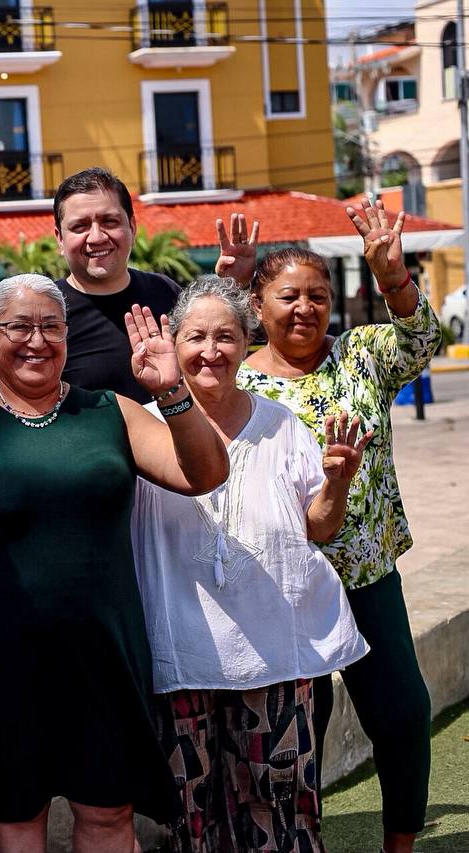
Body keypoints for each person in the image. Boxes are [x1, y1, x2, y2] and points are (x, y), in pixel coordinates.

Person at [0, 274, 229, 852]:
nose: (36, 341)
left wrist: (173, 394)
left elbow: (205, 475)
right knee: (14, 818)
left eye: (50, 327)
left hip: (104, 655)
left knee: (110, 815)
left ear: (67, 337)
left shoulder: (113, 411)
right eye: (18, 327)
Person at [133, 276, 373, 852]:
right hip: (180, 653)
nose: (210, 351)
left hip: (273, 649)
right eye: (195, 337)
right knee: (187, 809)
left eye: (226, 336)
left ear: (248, 342)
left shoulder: (281, 424)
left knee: (280, 802)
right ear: (171, 340)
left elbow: (318, 526)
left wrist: (337, 483)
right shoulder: (139, 425)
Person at [237, 198, 440, 853]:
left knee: (405, 715)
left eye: (318, 295)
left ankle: (400, 842)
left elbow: (420, 340)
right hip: (282, 587)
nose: (306, 308)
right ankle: (302, 840)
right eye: (289, 296)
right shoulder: (236, 381)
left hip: (368, 575)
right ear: (259, 305)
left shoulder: (362, 354)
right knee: (297, 734)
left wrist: (394, 277)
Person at [50, 167, 181, 402]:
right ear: (60, 238)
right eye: (80, 226)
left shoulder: (166, 291)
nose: (97, 237)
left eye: (109, 221)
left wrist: (236, 282)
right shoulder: (44, 311)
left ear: (132, 227)